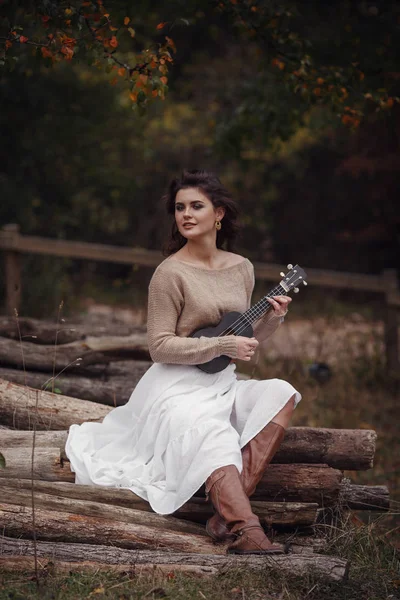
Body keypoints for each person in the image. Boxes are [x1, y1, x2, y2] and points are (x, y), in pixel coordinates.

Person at [66, 169, 301, 556]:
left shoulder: (242, 268)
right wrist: (222, 345)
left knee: (281, 393)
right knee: (213, 434)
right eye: (179, 208)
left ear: (219, 213)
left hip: (220, 382)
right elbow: (159, 346)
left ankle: (224, 515)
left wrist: (273, 319)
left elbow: (243, 338)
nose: (186, 215)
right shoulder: (169, 274)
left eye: (196, 206)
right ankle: (247, 530)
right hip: (174, 386)